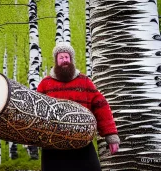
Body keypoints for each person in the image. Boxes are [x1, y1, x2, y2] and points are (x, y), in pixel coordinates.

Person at [37, 42, 120, 171]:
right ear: (56, 60)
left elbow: (101, 106)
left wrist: (111, 136)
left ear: (71, 59)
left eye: (67, 57)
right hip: (52, 146)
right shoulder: (45, 84)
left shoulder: (84, 82)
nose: (64, 60)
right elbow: (35, 111)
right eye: (61, 57)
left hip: (82, 144)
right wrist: (30, 137)